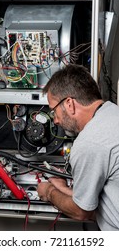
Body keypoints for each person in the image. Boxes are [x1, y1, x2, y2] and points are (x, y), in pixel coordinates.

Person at [37, 64, 119, 231]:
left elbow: (81, 212)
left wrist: (49, 192)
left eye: (54, 111)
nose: (55, 120)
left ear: (69, 104)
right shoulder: (112, 113)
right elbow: (98, 199)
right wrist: (63, 189)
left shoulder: (90, 142)